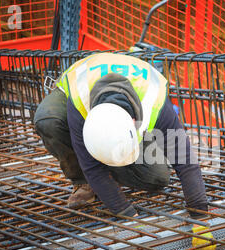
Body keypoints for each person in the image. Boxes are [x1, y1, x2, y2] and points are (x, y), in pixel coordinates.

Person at [34, 52, 208, 220]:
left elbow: (186, 162)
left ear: (133, 122)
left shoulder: (155, 100)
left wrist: (200, 216)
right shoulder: (80, 103)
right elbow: (91, 167)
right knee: (48, 119)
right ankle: (83, 182)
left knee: (157, 178)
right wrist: (127, 214)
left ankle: (112, 169)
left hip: (133, 96)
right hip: (71, 94)